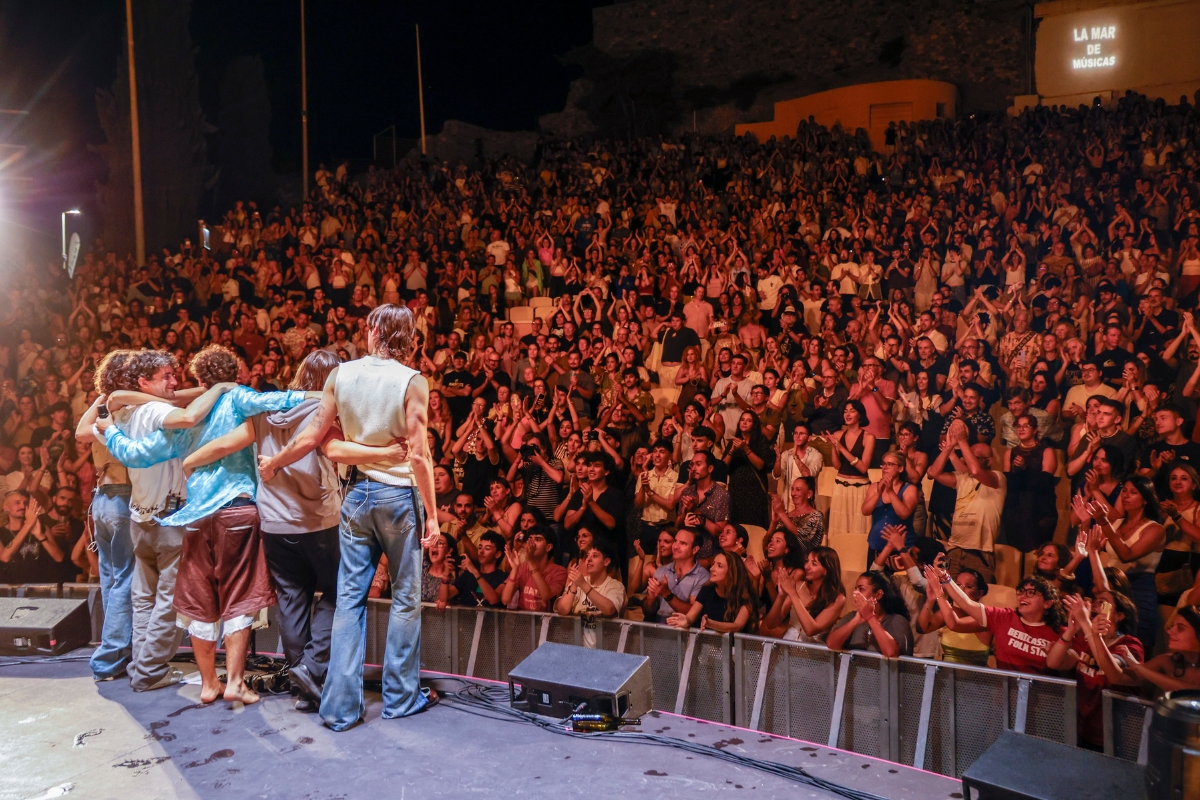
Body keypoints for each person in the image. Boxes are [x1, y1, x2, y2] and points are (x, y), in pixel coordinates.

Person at [256, 304, 443, 730]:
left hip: (356, 495)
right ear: (409, 336)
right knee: (405, 601)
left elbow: (313, 436)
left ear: (373, 331)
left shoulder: (341, 375)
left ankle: (340, 707)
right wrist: (433, 517)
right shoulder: (413, 381)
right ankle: (401, 698)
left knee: (349, 603)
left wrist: (275, 463)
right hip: (398, 497)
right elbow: (418, 453)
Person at [103, 345, 310, 706]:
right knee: (239, 601)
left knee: (201, 602)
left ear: (200, 381)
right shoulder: (238, 396)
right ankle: (235, 682)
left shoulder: (188, 418)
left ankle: (208, 684)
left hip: (195, 518)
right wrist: (326, 392)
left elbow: (136, 454)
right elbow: (285, 400)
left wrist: (110, 433)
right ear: (236, 375)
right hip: (237, 512)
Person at [82, 350, 235, 693]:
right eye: (165, 376)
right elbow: (187, 417)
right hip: (168, 518)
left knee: (143, 600)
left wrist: (118, 397)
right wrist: (224, 388)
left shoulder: (119, 416)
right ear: (143, 382)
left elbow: (84, 429)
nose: (173, 382)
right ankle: (149, 671)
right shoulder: (154, 410)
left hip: (140, 517)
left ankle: (139, 664)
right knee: (168, 602)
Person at [1047, 592, 1143, 750]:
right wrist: (1071, 630)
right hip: (1083, 727)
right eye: (1095, 601)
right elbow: (1053, 662)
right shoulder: (1085, 640)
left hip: (1114, 733)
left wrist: (1086, 624)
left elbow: (1110, 670)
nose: (1095, 606)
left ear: (1119, 615)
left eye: (1103, 602)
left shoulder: (1130, 644)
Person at [930, 565, 1064, 674]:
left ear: (1047, 603)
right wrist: (945, 578)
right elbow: (967, 604)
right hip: (1005, 694)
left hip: (1043, 699)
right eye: (1021, 592)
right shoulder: (1003, 618)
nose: (1023, 597)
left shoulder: (1060, 633)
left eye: (1031, 593)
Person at [1083, 476, 1166, 650]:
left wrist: (1104, 522)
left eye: (1133, 492)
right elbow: (1092, 547)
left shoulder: (1155, 529)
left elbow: (1126, 555)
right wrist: (1086, 523)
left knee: (1137, 639)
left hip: (1138, 587)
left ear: (1145, 500)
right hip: (1112, 587)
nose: (1126, 496)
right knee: (1106, 638)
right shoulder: (1118, 522)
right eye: (1124, 491)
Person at [1000, 413, 1059, 554]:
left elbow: (1045, 482)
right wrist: (1018, 470)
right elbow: (1008, 482)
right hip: (1016, 508)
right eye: (1018, 426)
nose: (1021, 429)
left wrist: (1025, 468)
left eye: (1026, 425)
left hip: (1040, 507)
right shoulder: (1010, 452)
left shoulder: (1047, 451)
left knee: (1037, 550)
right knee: (1014, 550)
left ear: (1035, 429)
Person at [762, 546, 845, 642]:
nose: (806, 566)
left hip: (813, 652)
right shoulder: (798, 586)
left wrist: (793, 594)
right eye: (807, 561)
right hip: (788, 647)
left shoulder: (837, 599)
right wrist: (781, 596)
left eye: (814, 563)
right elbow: (771, 624)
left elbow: (811, 630)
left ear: (827, 569)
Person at [825, 571, 914, 657]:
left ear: (878, 594)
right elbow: (831, 644)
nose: (855, 593)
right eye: (855, 589)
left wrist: (870, 617)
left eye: (861, 589)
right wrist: (855, 621)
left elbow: (891, 653)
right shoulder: (852, 616)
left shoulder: (897, 621)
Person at [666, 549, 758, 633]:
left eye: (719, 566)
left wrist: (710, 623)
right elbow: (691, 616)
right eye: (713, 564)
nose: (711, 568)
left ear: (732, 572)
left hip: (733, 648)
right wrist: (686, 620)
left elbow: (737, 626)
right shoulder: (707, 590)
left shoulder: (746, 596)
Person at [555, 540, 625, 646]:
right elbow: (562, 609)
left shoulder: (615, 586)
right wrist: (574, 585)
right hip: (576, 648)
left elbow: (609, 609)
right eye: (587, 555)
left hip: (604, 650)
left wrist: (583, 584)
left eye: (595, 556)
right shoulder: (579, 581)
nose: (589, 559)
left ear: (606, 562)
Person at [824, 400, 875, 538]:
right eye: (845, 411)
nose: (848, 414)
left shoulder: (868, 437)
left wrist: (841, 448)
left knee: (859, 529)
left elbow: (863, 467)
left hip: (861, 488)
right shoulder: (838, 434)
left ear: (860, 415)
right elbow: (837, 466)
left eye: (852, 411)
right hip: (841, 485)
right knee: (839, 529)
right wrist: (833, 446)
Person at [862, 450, 918, 569]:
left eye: (890, 464)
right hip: (876, 546)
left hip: (901, 549)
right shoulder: (874, 487)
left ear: (900, 468)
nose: (885, 467)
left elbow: (904, 514)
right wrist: (878, 493)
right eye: (884, 464)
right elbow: (865, 511)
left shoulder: (909, 489)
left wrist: (890, 491)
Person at [642, 526, 709, 624]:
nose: (676, 546)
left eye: (683, 543)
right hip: (657, 631)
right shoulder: (662, 570)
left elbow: (694, 613)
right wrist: (651, 599)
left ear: (694, 550)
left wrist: (667, 594)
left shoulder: (703, 576)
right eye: (676, 541)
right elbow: (647, 611)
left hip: (683, 634)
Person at [723, 411, 775, 528]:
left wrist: (745, 448)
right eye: (742, 419)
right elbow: (723, 468)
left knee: (755, 528)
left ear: (754, 424)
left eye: (749, 420)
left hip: (755, 492)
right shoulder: (733, 442)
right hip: (736, 492)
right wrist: (732, 451)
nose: (744, 422)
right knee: (737, 528)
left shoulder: (761, 441)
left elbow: (760, 465)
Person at [500, 526, 568, 611]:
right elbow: (505, 600)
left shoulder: (559, 571)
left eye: (538, 539)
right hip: (523, 620)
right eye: (529, 539)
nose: (532, 543)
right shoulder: (522, 567)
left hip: (546, 621)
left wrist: (530, 561)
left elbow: (546, 596)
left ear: (548, 547)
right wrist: (514, 569)